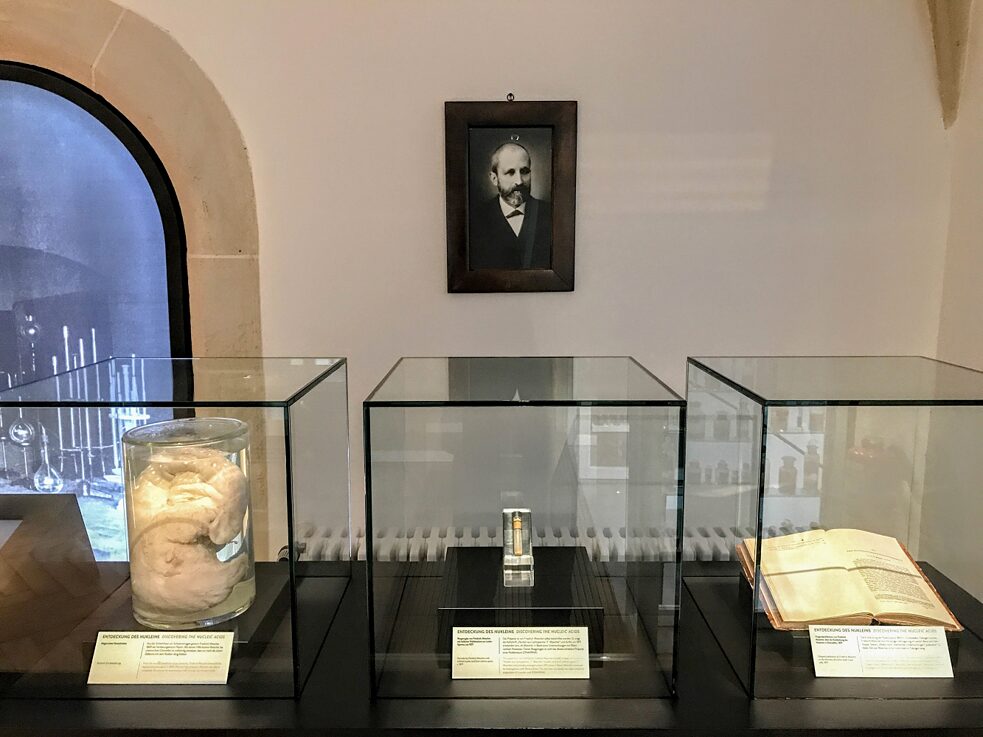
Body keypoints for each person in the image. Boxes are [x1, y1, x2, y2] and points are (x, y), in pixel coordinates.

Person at [468, 142, 551, 270]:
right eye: (510, 172)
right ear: (494, 178)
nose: (519, 181)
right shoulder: (474, 220)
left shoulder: (551, 214)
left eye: (524, 172)